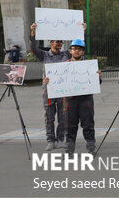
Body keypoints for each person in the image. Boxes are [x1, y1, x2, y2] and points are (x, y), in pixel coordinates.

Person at [30, 21, 86, 151]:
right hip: (48, 91)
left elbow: (79, 49)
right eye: (55, 41)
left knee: (63, 117)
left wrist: (82, 32)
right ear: (50, 43)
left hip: (63, 91)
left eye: (60, 41)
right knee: (49, 117)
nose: (58, 43)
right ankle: (50, 140)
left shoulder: (66, 54)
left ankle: (60, 139)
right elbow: (33, 48)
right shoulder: (44, 55)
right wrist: (33, 33)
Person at [43, 39, 101, 156]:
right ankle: (69, 150)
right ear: (70, 51)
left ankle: (91, 148)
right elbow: (56, 81)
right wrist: (48, 81)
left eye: (79, 49)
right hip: (70, 100)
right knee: (69, 126)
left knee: (88, 124)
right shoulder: (63, 66)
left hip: (86, 100)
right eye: (74, 49)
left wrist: (98, 77)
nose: (76, 51)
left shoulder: (90, 66)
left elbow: (97, 83)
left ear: (83, 51)